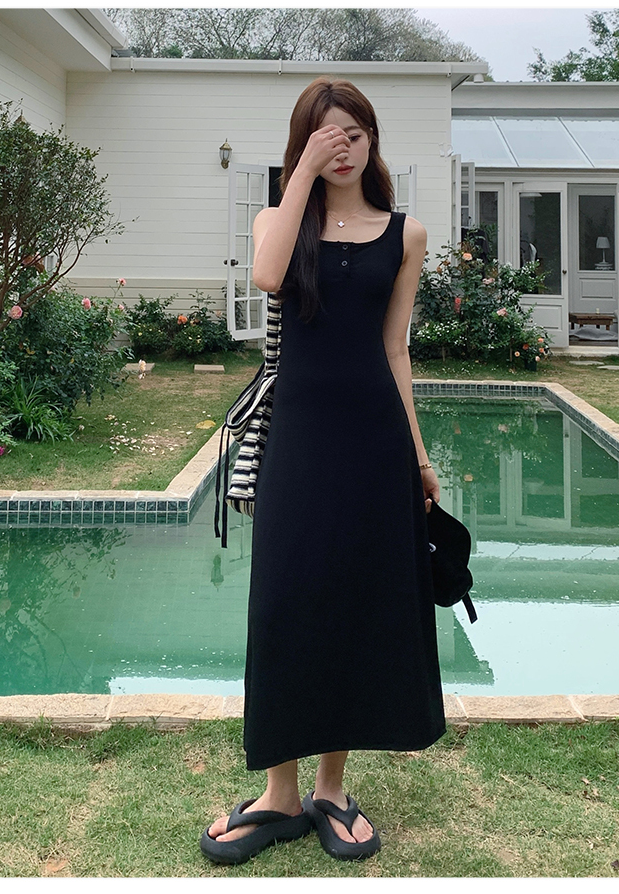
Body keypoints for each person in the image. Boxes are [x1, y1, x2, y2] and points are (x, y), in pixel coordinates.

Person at [201, 77, 444, 866]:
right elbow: (267, 277)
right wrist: (302, 172)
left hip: (373, 440)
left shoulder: (406, 234)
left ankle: (330, 790)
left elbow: (395, 348)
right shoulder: (280, 222)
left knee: (351, 601)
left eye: (353, 135)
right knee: (284, 601)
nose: (342, 148)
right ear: (303, 144)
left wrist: (418, 455)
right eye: (324, 136)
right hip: (299, 440)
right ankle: (278, 795)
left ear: (373, 140)